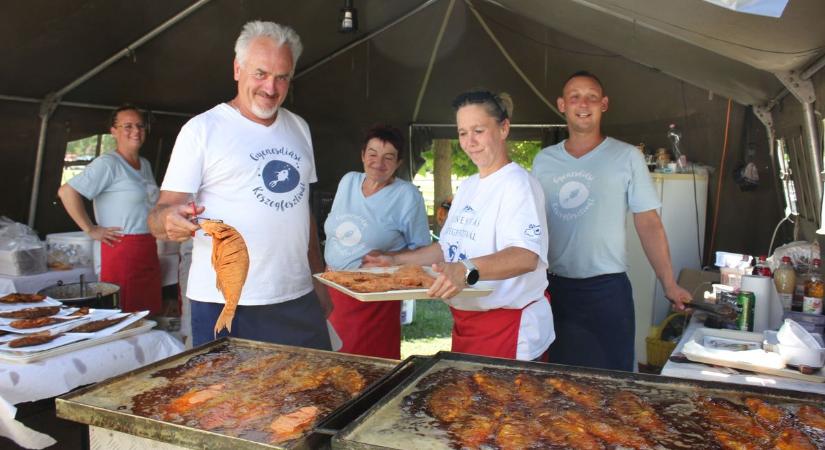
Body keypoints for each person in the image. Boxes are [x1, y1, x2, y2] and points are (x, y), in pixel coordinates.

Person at [147, 21, 331, 350]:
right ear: (237, 68)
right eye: (260, 73)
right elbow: (159, 214)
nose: (271, 88)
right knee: (229, 402)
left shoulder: (299, 128)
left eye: (282, 77)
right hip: (226, 304)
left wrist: (318, 278)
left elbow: (301, 210)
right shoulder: (202, 129)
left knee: (315, 399)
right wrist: (168, 221)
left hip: (297, 298)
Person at [365, 91, 553, 361]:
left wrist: (465, 270)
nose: (470, 142)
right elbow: (446, 248)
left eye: (478, 130)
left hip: (509, 328)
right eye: (463, 132)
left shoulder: (518, 184)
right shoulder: (468, 186)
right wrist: (394, 260)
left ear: (504, 128)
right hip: (467, 324)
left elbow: (525, 256)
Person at [532, 71, 692, 371]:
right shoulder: (544, 161)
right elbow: (531, 224)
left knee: (614, 381)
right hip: (555, 288)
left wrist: (669, 283)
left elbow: (649, 223)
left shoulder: (626, 156)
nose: (583, 103)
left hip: (607, 290)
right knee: (558, 383)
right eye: (574, 96)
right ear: (561, 105)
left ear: (604, 104)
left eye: (592, 96)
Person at [324, 125, 430, 359]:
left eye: (388, 157)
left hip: (374, 297)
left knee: (370, 366)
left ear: (399, 162)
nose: (378, 162)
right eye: (372, 154)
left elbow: (422, 249)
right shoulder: (348, 181)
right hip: (333, 289)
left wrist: (390, 261)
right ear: (362, 155)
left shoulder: (407, 196)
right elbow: (336, 231)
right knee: (332, 364)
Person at [57, 105, 162, 314]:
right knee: (123, 312)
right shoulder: (108, 163)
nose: (136, 131)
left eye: (140, 126)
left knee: (147, 312)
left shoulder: (145, 164)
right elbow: (66, 192)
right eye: (128, 126)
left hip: (147, 246)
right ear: (113, 131)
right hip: (120, 247)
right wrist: (91, 229)